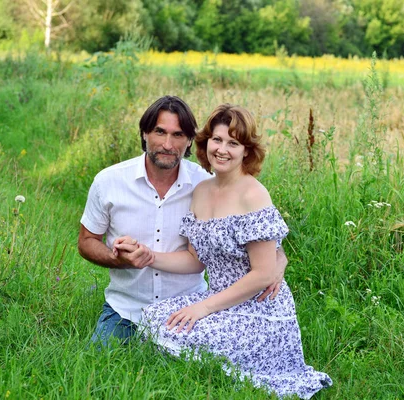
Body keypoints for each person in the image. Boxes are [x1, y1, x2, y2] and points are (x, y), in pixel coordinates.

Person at [117, 104, 332, 399]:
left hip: (260, 310)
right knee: (156, 318)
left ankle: (222, 378)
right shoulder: (202, 192)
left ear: (247, 151)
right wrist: (150, 256)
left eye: (233, 143)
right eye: (217, 140)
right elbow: (195, 260)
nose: (222, 150)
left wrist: (203, 308)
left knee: (188, 331)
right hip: (219, 298)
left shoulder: (253, 194)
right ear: (205, 144)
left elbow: (263, 273)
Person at [78, 96, 286, 346]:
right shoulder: (109, 181)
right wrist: (123, 258)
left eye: (177, 135)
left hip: (191, 301)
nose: (167, 144)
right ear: (145, 134)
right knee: (102, 356)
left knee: (186, 366)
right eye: (159, 132)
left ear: (189, 140)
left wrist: (279, 261)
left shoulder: (204, 182)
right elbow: (86, 241)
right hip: (127, 306)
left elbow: (264, 241)